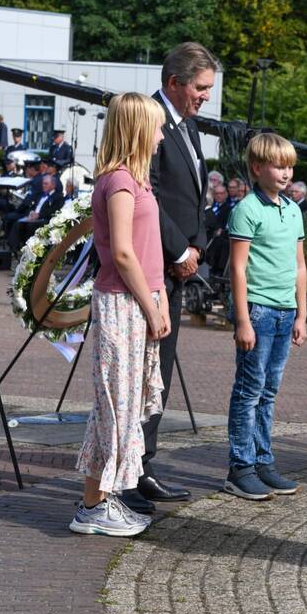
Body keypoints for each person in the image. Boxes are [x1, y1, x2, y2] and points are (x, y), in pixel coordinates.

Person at [120, 42, 217, 514]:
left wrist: (197, 245)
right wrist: (179, 249)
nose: (205, 98)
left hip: (180, 266)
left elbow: (196, 196)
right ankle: (129, 471)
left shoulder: (188, 125)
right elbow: (147, 194)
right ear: (175, 82)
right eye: (200, 89)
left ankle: (146, 466)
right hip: (153, 267)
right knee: (140, 372)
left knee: (159, 370)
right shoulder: (149, 123)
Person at [70, 93, 169, 537]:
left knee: (123, 406)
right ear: (136, 129)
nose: (162, 135)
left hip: (137, 298)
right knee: (115, 405)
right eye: (157, 127)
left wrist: (160, 293)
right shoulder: (120, 181)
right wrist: (150, 304)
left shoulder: (136, 180)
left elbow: (147, 254)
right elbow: (124, 253)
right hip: (122, 302)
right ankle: (94, 505)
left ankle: (98, 500)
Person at [224, 132, 307, 500]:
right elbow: (238, 269)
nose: (286, 172)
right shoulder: (246, 210)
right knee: (249, 390)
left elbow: (299, 265)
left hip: (285, 311)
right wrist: (242, 319)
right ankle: (240, 466)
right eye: (278, 165)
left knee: (269, 390)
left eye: (290, 166)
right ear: (257, 168)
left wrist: (301, 311)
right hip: (257, 311)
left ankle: (263, 460)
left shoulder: (293, 209)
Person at [8, 173, 64, 254]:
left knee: (30, 226)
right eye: (43, 183)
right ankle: (14, 248)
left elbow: (54, 210)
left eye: (46, 184)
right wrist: (31, 212)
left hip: (44, 219)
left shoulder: (58, 197)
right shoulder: (40, 194)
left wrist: (39, 215)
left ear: (53, 185)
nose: (43, 185)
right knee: (18, 223)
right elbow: (33, 206)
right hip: (32, 218)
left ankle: (31, 249)